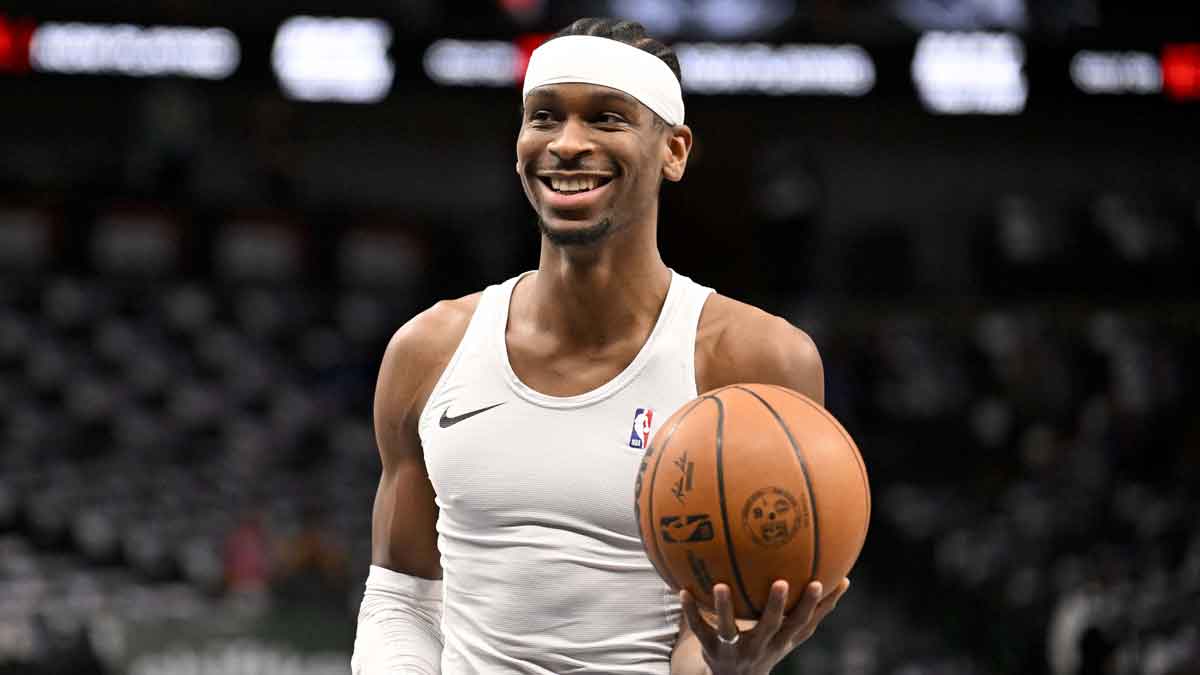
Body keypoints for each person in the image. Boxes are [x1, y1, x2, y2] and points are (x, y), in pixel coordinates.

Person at [351, 17, 851, 675]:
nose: (567, 143)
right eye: (544, 117)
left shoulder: (756, 359)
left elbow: (712, 633)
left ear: (674, 151)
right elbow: (402, 598)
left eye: (607, 118)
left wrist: (733, 662)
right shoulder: (428, 349)